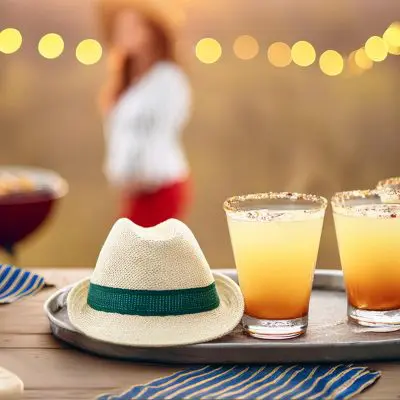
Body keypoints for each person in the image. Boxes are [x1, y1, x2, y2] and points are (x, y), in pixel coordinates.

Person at [98, 0, 192, 227]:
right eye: (120, 27)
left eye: (132, 27)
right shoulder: (127, 79)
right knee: (128, 254)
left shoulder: (168, 78)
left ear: (151, 32)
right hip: (133, 190)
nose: (123, 34)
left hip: (158, 185)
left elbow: (159, 129)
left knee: (138, 256)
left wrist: (140, 175)